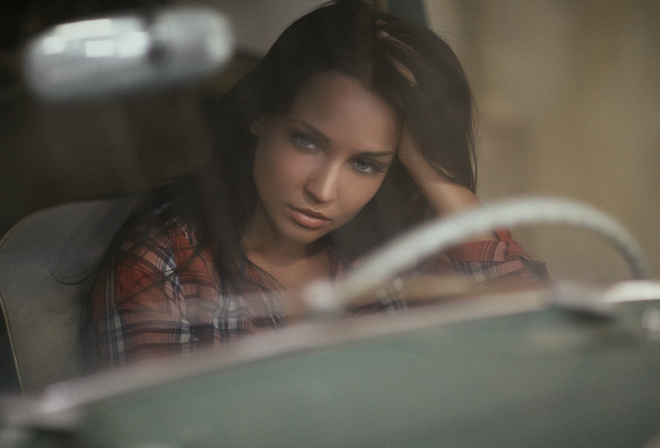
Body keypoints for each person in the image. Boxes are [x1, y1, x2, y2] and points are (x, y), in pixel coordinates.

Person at [90, 0, 546, 368]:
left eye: (366, 165)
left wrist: (433, 172)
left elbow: (538, 344)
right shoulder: (167, 262)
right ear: (261, 115)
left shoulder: (404, 253)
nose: (324, 191)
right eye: (306, 142)